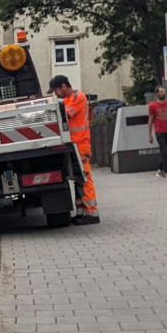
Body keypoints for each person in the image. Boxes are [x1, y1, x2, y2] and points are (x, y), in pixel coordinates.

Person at [48, 75, 100, 225]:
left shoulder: (78, 97)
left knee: (84, 178)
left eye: (56, 90)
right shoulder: (68, 99)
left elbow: (63, 114)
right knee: (78, 180)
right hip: (74, 145)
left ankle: (92, 213)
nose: (56, 94)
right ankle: (81, 212)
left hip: (81, 145)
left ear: (63, 86)